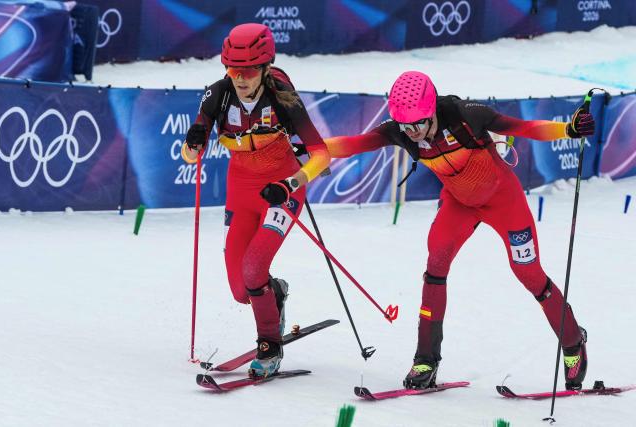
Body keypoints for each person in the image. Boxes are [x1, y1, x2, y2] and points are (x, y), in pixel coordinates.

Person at [323, 71, 594, 390]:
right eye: (405, 126)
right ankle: (425, 359)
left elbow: (525, 128)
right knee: (435, 263)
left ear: (431, 111)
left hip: (502, 200)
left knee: (528, 273)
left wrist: (568, 129)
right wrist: (310, 147)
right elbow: (353, 144)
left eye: (417, 124)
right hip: (458, 203)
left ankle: (573, 342)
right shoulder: (401, 130)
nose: (411, 133)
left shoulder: (467, 115)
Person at [181, 23, 331, 377]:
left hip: (281, 190)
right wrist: (194, 141)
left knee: (253, 268)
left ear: (265, 69)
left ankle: (269, 347)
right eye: (234, 70)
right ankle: (274, 294)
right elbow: (190, 157)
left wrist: (291, 183)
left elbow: (321, 155)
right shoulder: (217, 95)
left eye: (248, 70)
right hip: (241, 191)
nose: (240, 78)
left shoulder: (283, 99)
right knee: (241, 289)